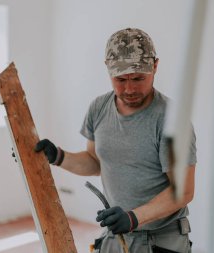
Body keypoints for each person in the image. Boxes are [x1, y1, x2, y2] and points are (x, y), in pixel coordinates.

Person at [35, 28, 197, 253]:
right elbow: (95, 162)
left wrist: (133, 217)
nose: (129, 89)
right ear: (108, 69)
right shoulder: (99, 108)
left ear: (155, 67)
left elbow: (183, 190)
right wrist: (59, 157)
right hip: (117, 234)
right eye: (120, 79)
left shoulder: (170, 120)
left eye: (139, 78)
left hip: (160, 239)